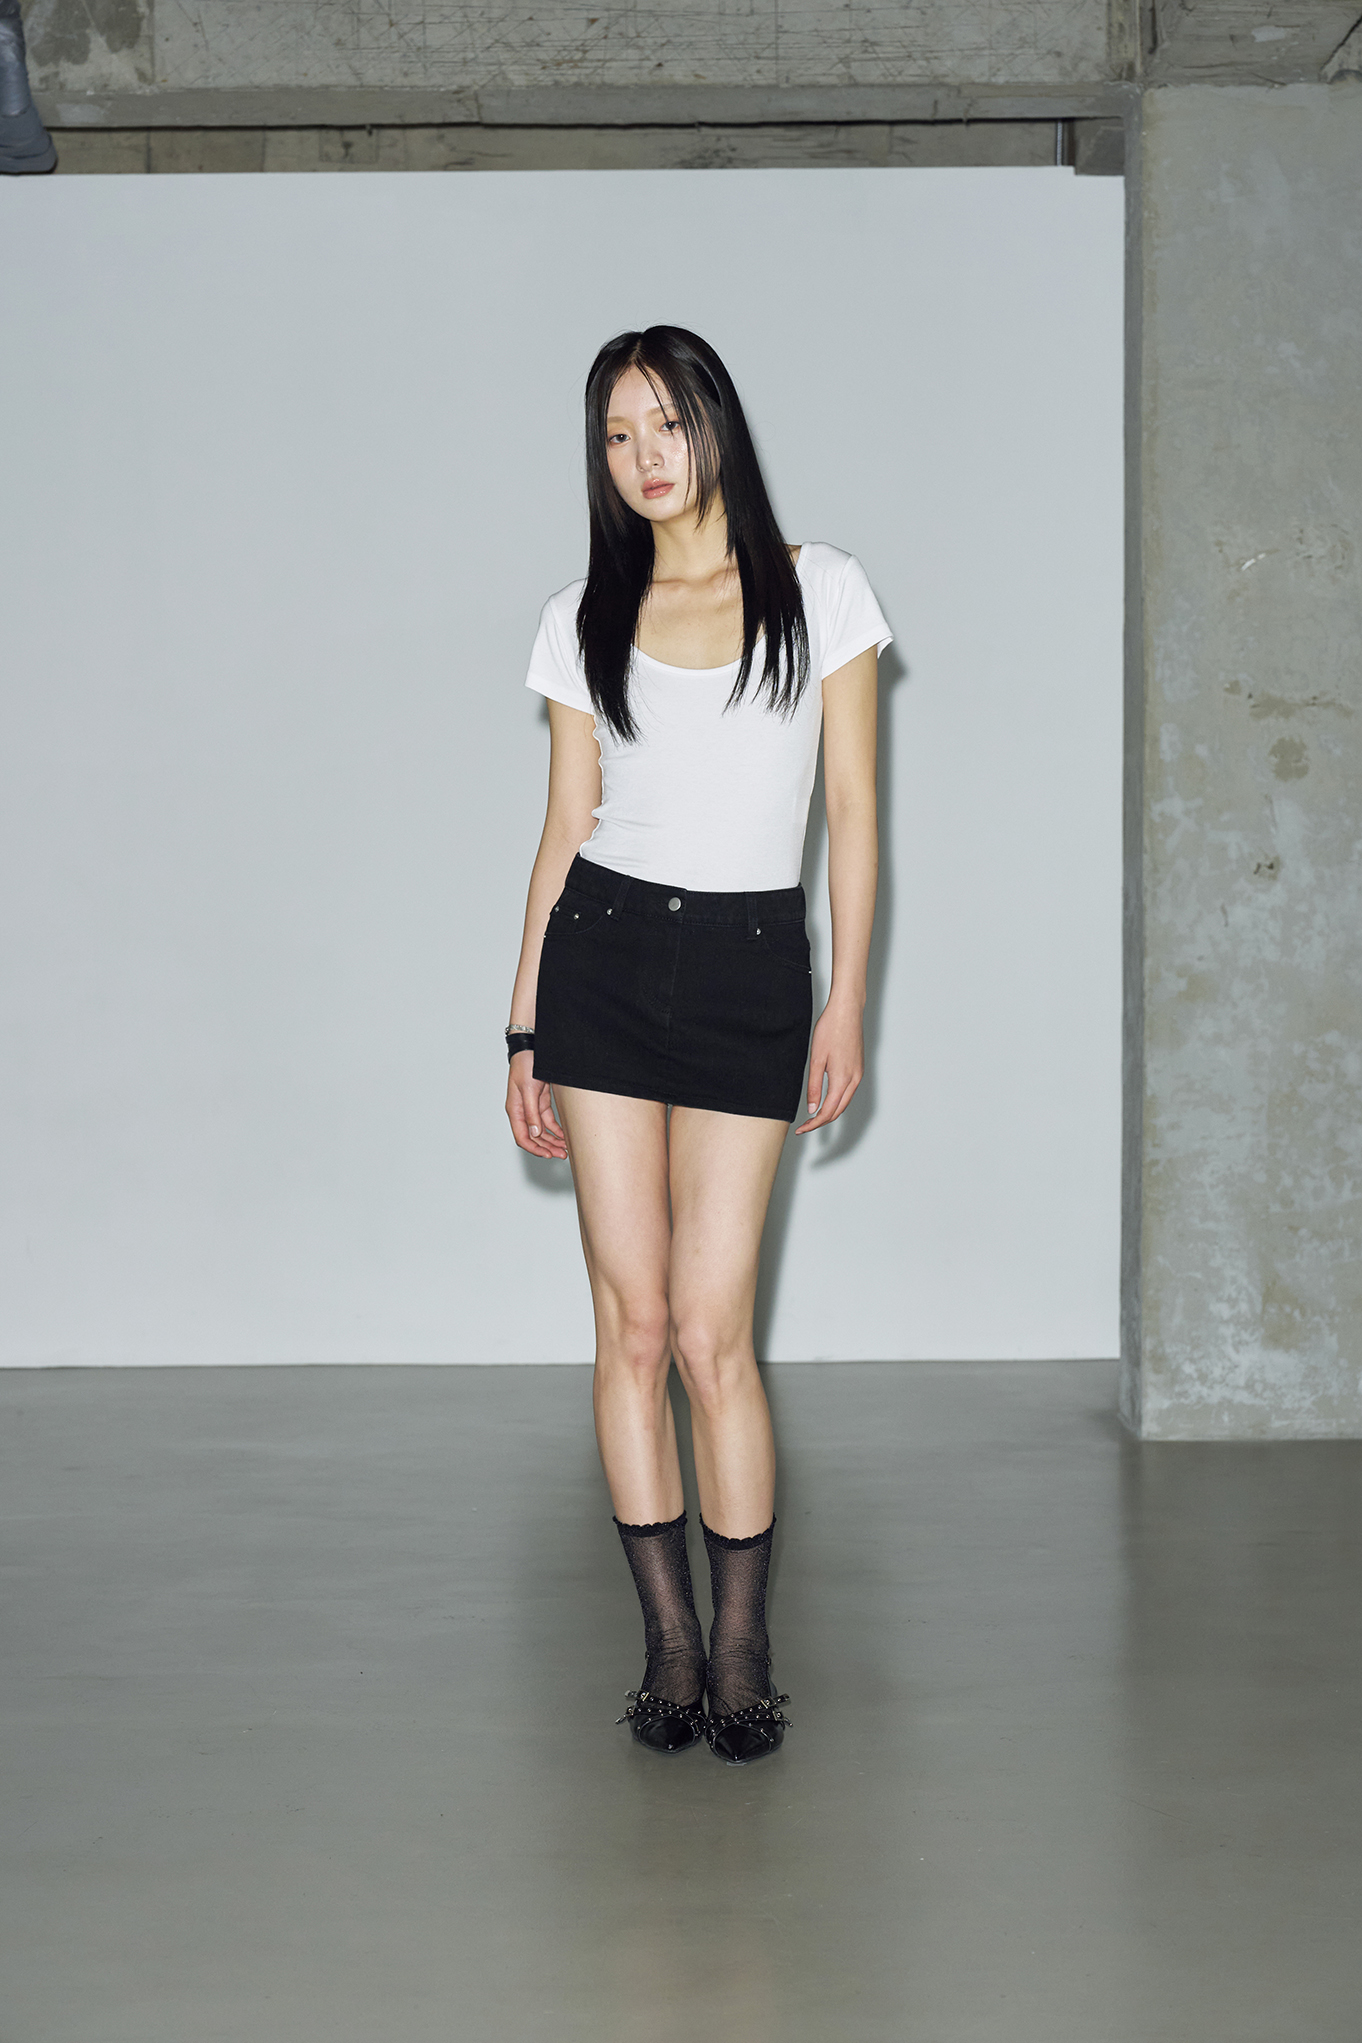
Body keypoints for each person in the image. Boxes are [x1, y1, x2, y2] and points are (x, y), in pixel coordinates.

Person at [504, 326, 891, 1765]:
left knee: (714, 1332)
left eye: (665, 422)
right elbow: (563, 830)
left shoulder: (818, 590)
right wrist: (523, 1025)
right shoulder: (582, 616)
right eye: (617, 434)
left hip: (747, 968)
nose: (644, 456)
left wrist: (844, 1000)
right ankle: (668, 1647)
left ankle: (742, 1646)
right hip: (602, 960)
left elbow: (852, 815)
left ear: (714, 424)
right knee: (634, 1326)